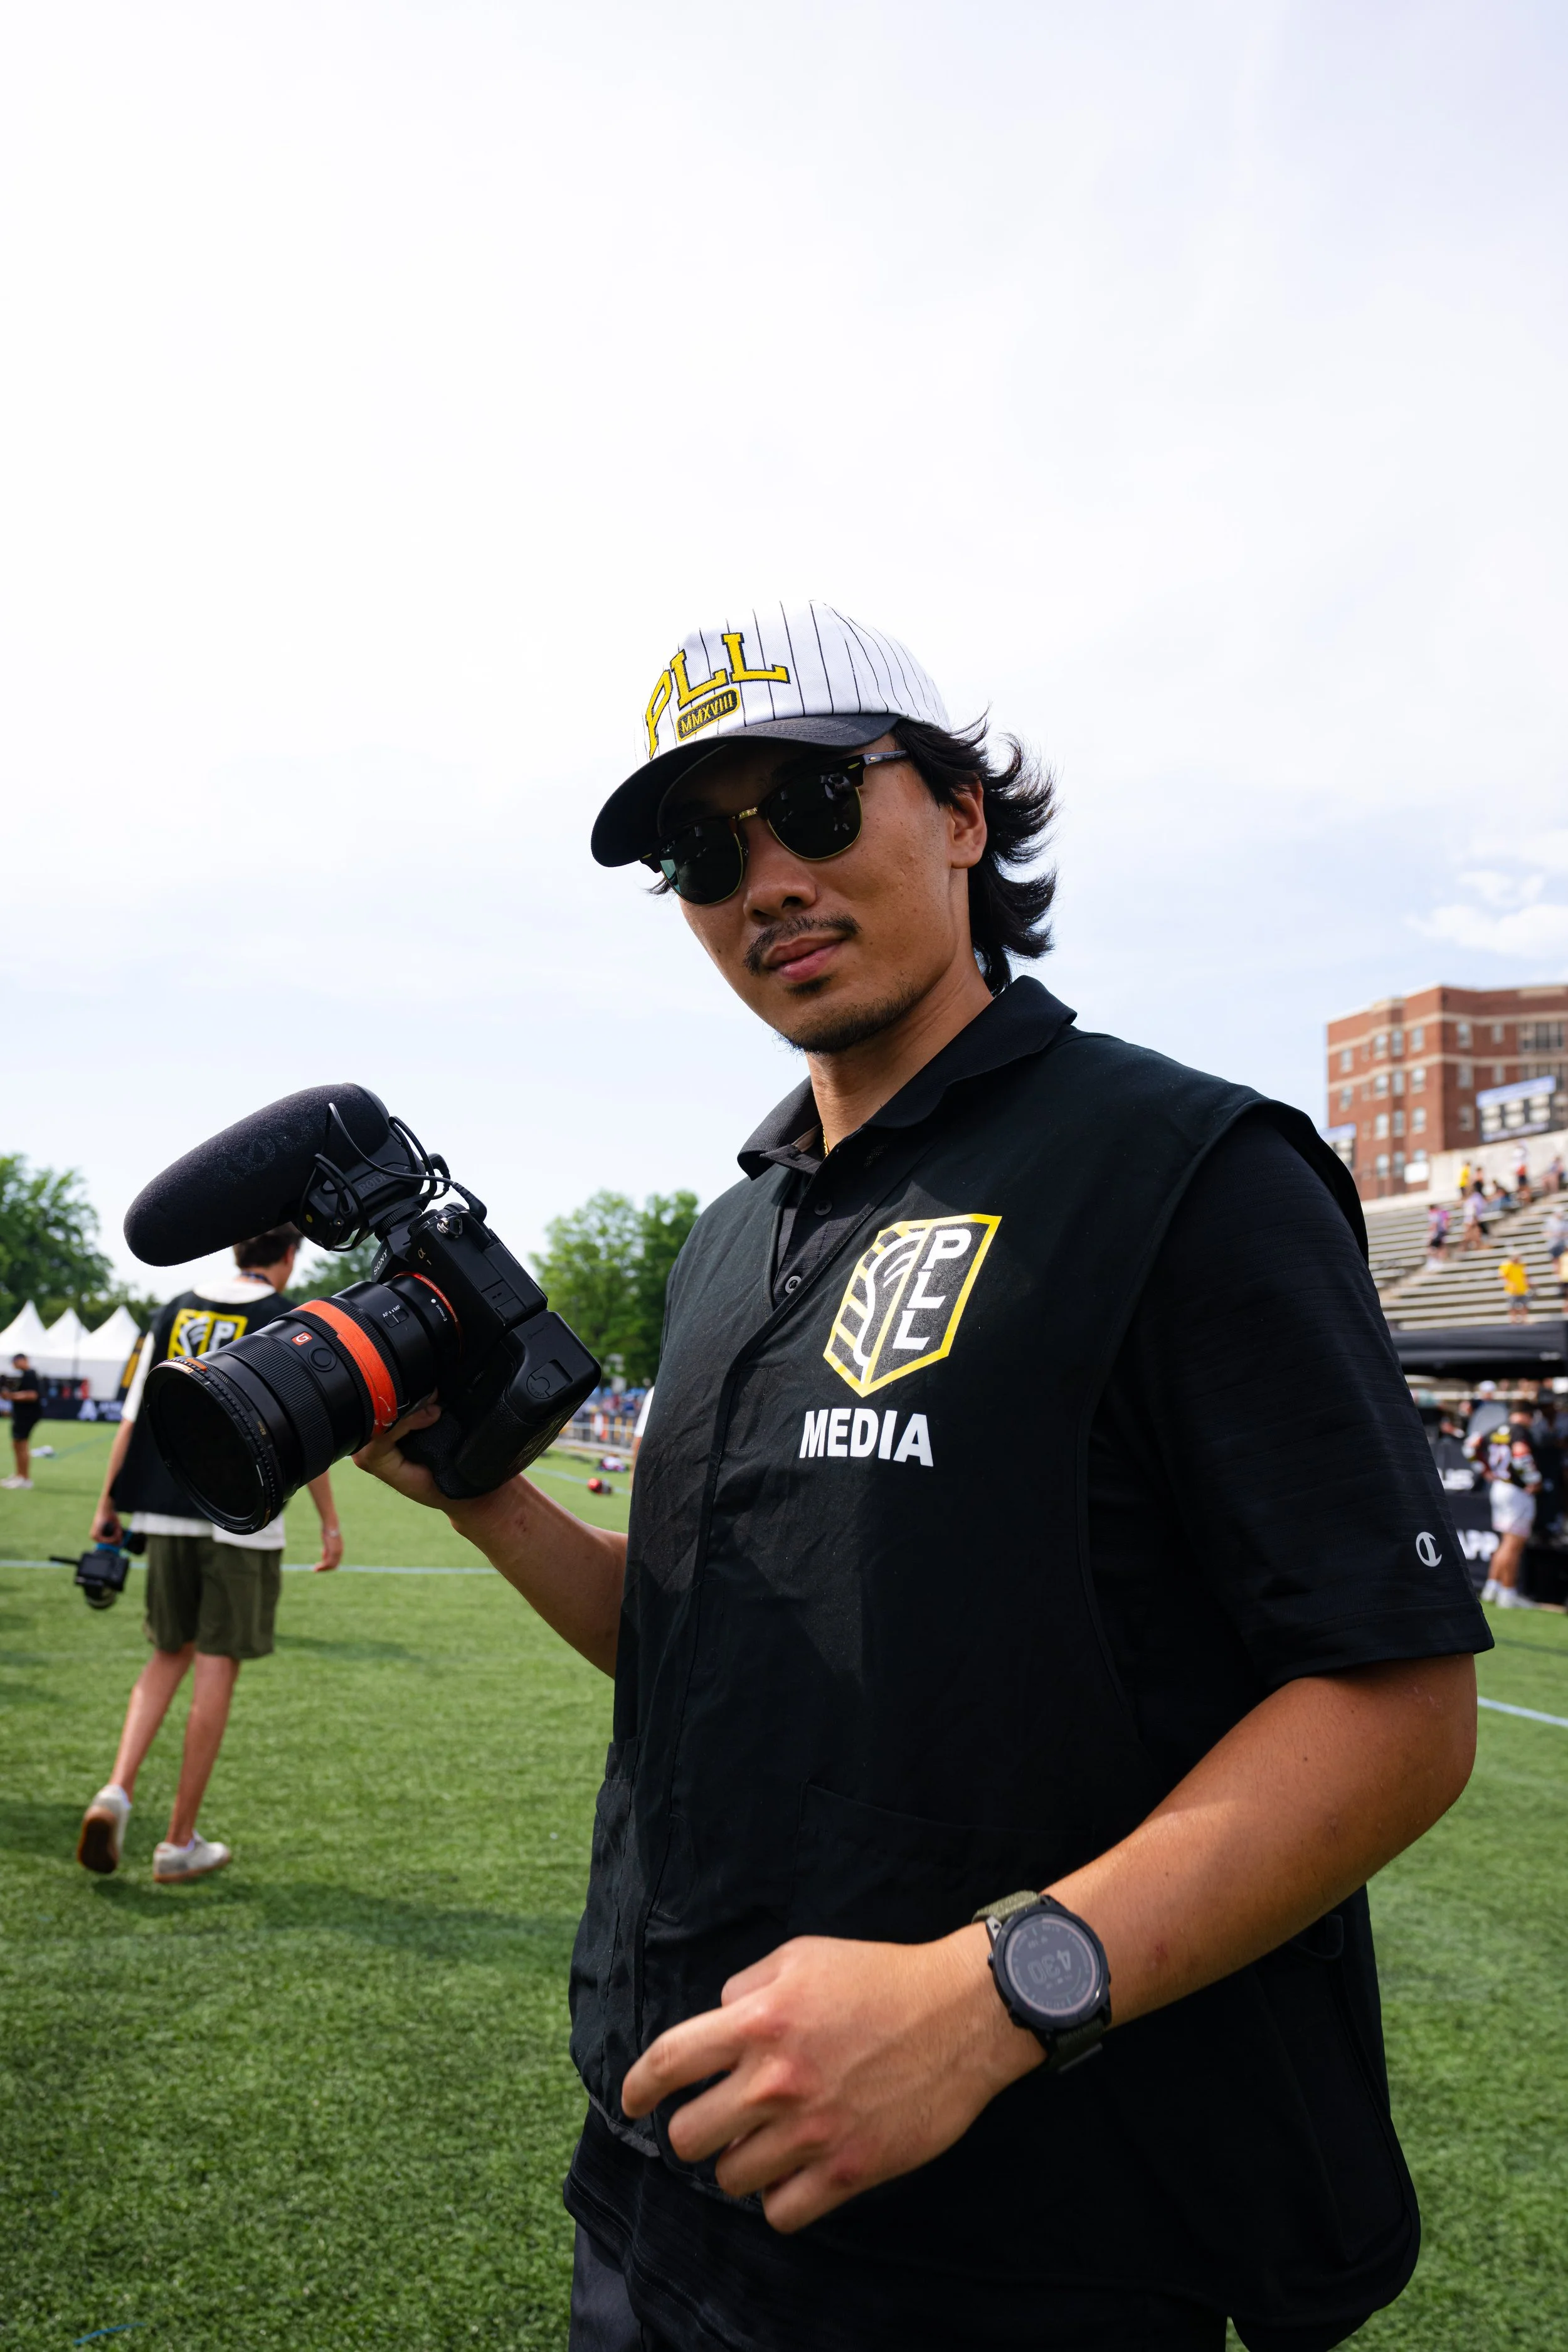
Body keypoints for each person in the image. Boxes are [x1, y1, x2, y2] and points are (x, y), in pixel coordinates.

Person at [358, 601, 1486, 2352]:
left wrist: (987, 1996)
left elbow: (1396, 1700)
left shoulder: (1184, 1165)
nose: (764, 881)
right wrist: (491, 1496)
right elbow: (703, 1643)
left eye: (812, 805)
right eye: (698, 850)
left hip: (1030, 2235)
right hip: (671, 2174)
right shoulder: (733, 1231)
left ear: (957, 811)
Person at [75, 1227, 343, 1883]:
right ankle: (177, 1841)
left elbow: (136, 1414)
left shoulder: (176, 1309)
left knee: (168, 1655)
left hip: (165, 1507)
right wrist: (330, 1523)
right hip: (245, 1515)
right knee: (216, 1668)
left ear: (234, 1250)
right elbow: (304, 1432)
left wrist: (108, 1503)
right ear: (287, 1257)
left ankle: (115, 1791)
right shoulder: (288, 1318)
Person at [1467, 1409, 1542, 1607]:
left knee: (1505, 1542)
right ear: (1526, 1414)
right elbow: (1520, 1455)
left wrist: (1485, 1470)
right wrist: (1534, 1480)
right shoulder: (1519, 1432)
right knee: (1513, 1544)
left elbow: (1470, 1447)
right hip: (1516, 1491)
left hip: (1499, 1486)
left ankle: (1493, 1587)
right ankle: (1508, 1592)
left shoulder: (1495, 1430)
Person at [1, 1351, 43, 1489]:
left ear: (23, 1360)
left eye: (16, 1361)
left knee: (22, 1445)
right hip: (21, 1415)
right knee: (17, 1444)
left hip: (27, 1415)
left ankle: (25, 1478)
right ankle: (19, 1475)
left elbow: (32, 1395)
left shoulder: (30, 1374)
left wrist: (11, 1396)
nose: (14, 1364)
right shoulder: (25, 1375)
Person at [1498, 1252, 1531, 1323]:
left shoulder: (1522, 1265)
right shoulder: (1507, 1265)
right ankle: (1513, 1320)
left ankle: (1524, 1319)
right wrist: (1510, 1284)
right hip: (1512, 1290)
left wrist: (1528, 1283)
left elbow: (1525, 1275)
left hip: (1522, 1288)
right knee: (1512, 1306)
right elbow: (1502, 1276)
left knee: (1525, 1304)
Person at [1425, 1200, 1449, 1265]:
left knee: (1432, 1248)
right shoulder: (1439, 1213)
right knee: (1440, 1247)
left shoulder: (1434, 1214)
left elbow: (1434, 1225)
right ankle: (1441, 1260)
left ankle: (1437, 1261)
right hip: (1440, 1232)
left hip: (1437, 1233)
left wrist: (1432, 1234)